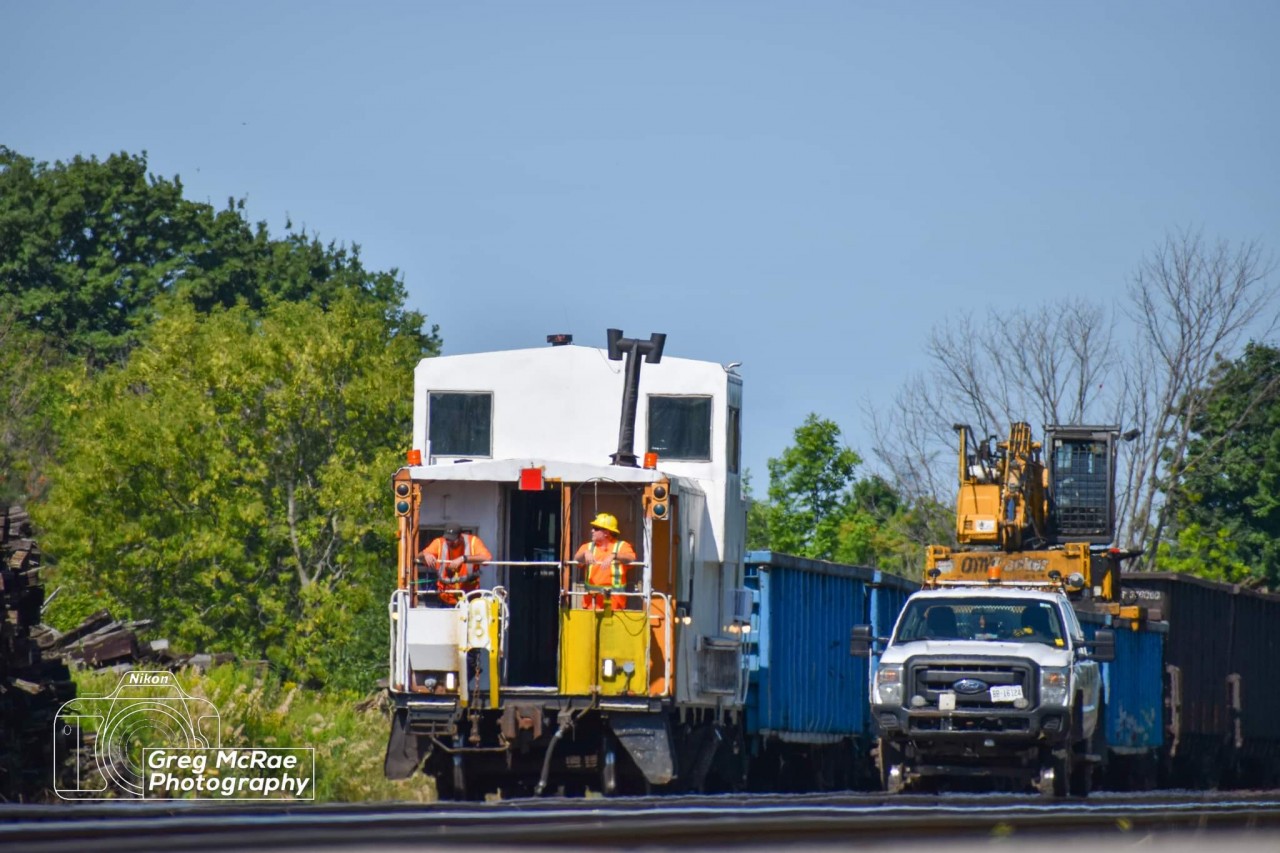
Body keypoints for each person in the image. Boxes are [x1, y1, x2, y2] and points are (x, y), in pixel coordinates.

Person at [574, 513, 637, 611]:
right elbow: (576, 559)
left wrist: (614, 555)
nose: (592, 531)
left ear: (606, 533)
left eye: (595, 528)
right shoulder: (587, 547)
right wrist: (585, 553)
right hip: (591, 605)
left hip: (615, 606)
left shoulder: (622, 546)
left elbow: (632, 559)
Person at [419, 523, 491, 606]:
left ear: (460, 537)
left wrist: (463, 559)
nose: (449, 542)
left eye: (453, 540)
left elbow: (487, 558)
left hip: (469, 598)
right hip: (446, 598)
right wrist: (425, 554)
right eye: (447, 539)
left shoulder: (473, 542)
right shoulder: (439, 542)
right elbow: (418, 556)